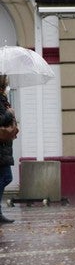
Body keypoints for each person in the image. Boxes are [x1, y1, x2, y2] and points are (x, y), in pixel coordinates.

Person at [0, 76, 17, 224]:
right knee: (6, 177)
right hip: (1, 146)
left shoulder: (2, 98)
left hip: (4, 146)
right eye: (5, 80)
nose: (7, 83)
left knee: (5, 177)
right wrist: (9, 113)